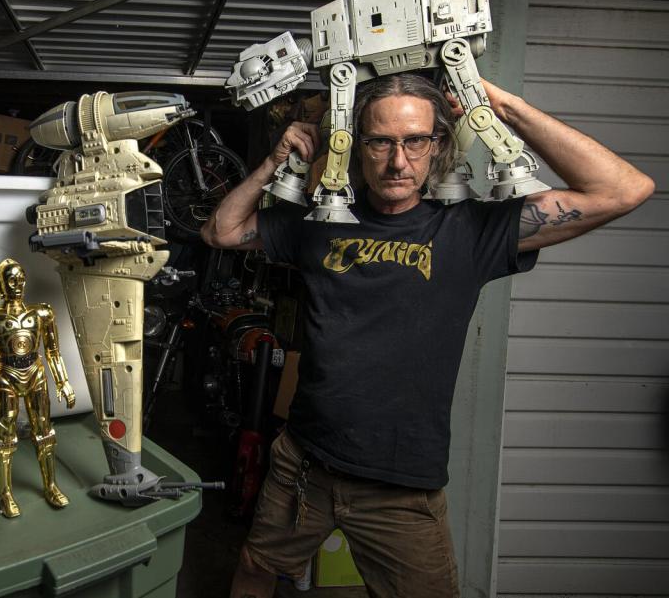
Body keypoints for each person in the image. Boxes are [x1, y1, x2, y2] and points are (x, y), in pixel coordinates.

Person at [201, 73, 654, 598]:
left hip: (401, 487)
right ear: (355, 142)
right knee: (257, 570)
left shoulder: (472, 231)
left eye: (416, 141)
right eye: (381, 141)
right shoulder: (320, 221)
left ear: (438, 144)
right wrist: (271, 163)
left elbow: (625, 190)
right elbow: (222, 231)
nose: (399, 162)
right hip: (303, 465)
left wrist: (503, 106)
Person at [0, 258, 76, 516]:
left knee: (44, 431)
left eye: (20, 279)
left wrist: (63, 381)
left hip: (35, 372)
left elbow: (52, 350)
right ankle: (6, 494)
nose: (17, 285)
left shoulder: (42, 313)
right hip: (5, 374)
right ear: (0, 284)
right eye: (10, 280)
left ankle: (50, 485)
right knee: (4, 437)